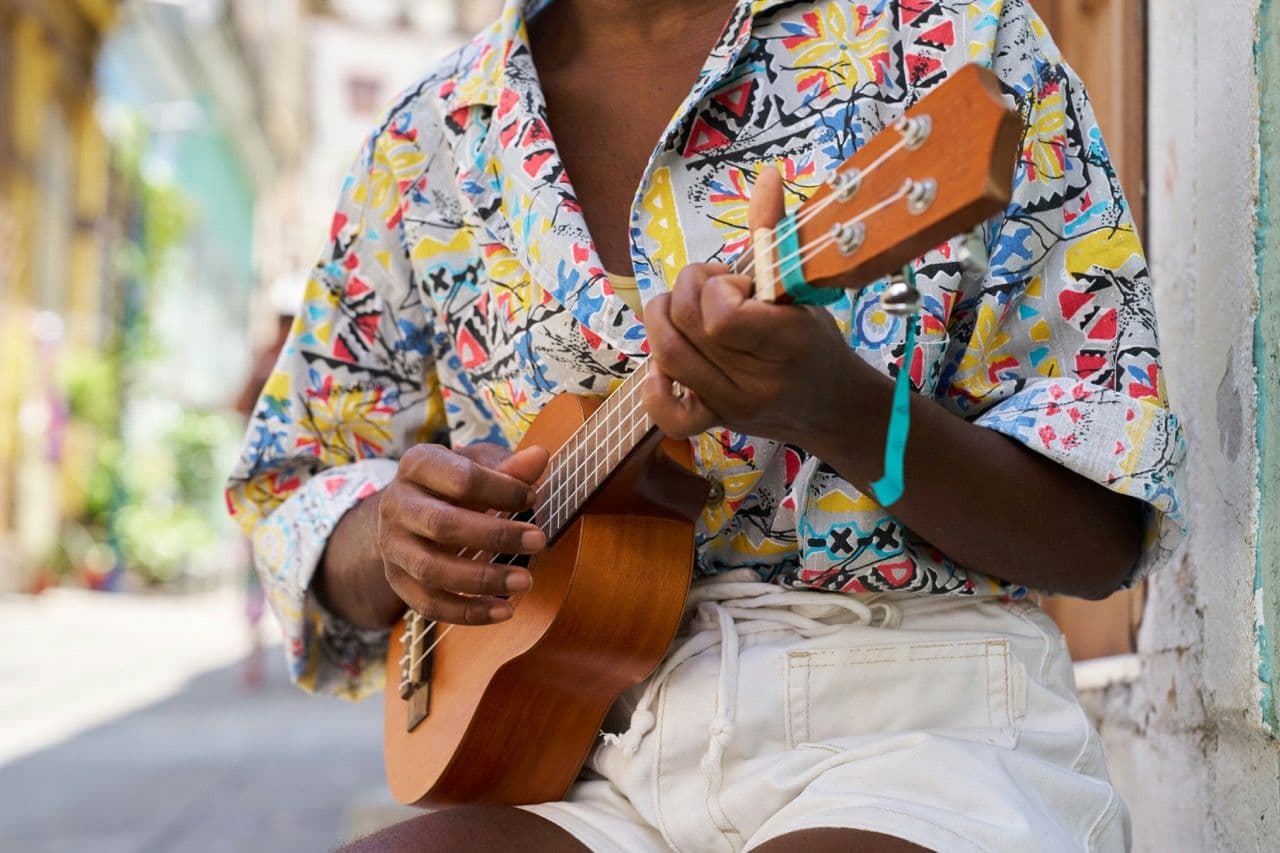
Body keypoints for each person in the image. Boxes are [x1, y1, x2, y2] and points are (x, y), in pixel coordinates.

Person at [226, 1, 1187, 850]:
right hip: (583, 756)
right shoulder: (429, 139)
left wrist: (843, 410)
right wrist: (390, 533)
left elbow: (1099, 535)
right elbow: (293, 485)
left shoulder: (949, 41)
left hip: (921, 729)